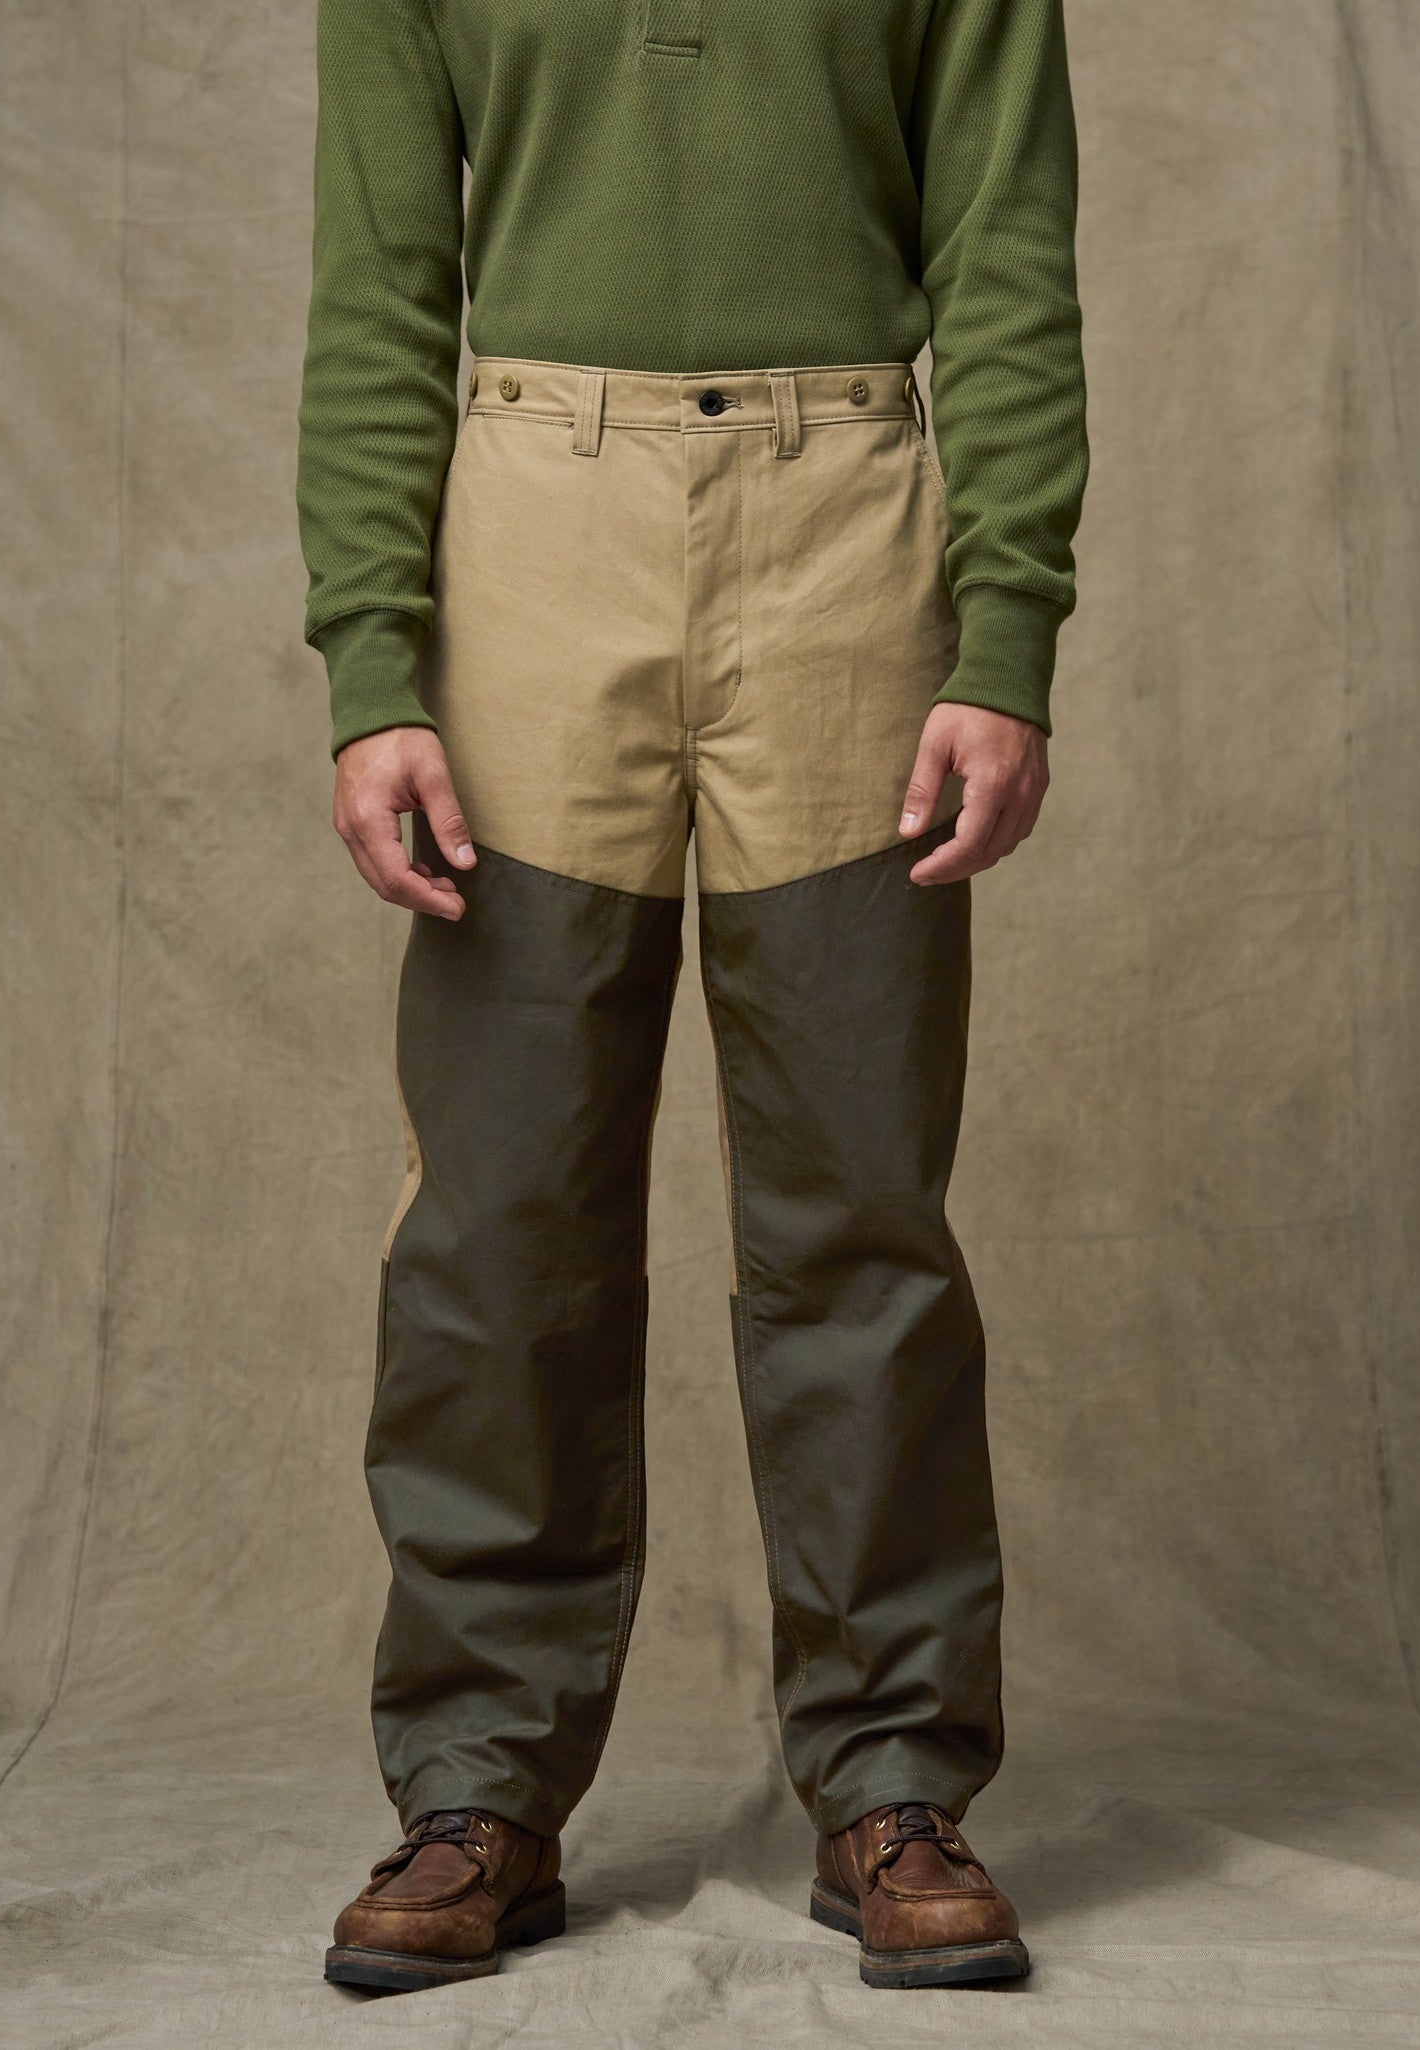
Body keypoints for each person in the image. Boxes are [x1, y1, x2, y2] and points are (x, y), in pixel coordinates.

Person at [296, 0, 1088, 1996]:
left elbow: (1003, 245)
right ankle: (478, 1782)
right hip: (528, 524)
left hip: (851, 525)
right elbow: (379, 280)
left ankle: (893, 1778)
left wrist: (1006, 627)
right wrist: (372, 661)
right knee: (502, 1214)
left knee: (859, 1209)